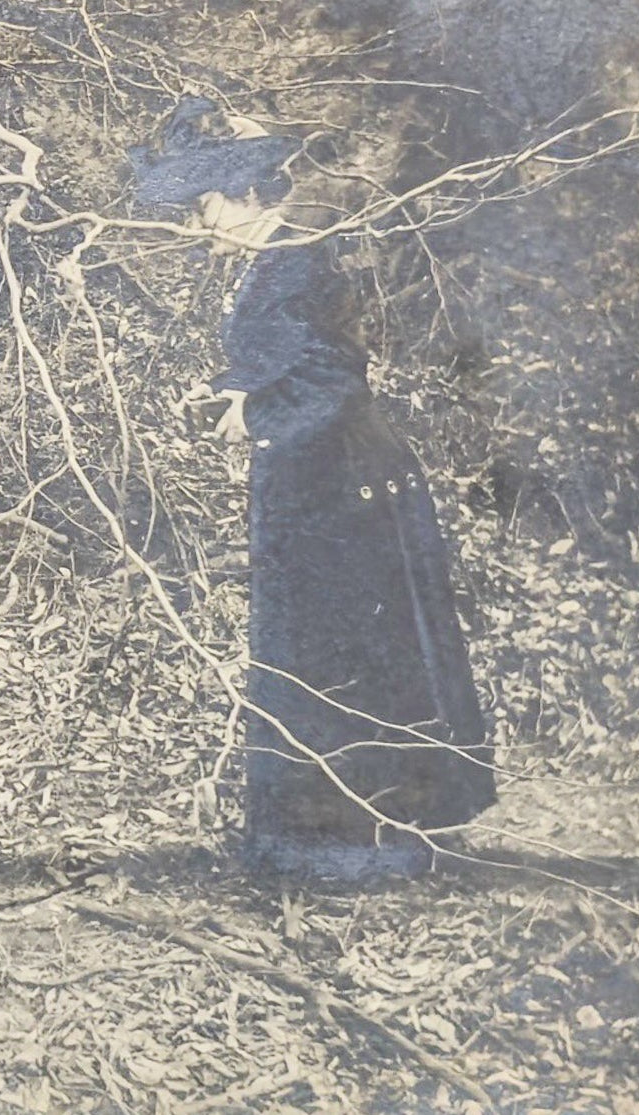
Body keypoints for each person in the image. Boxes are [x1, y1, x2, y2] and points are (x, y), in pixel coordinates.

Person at [130, 99, 497, 877]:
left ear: (251, 194)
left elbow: (335, 374)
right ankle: (326, 836)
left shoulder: (298, 259)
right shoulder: (277, 259)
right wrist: (237, 395)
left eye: (204, 209)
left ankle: (365, 842)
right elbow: (292, 359)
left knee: (345, 656)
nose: (199, 230)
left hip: (346, 487)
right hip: (314, 480)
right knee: (313, 653)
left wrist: (256, 409)